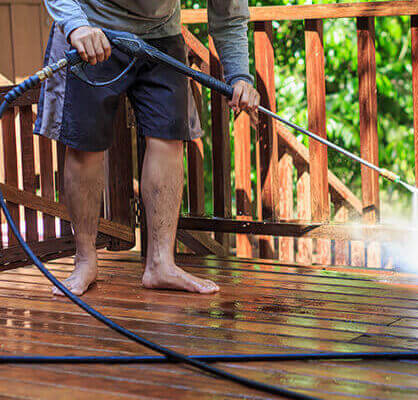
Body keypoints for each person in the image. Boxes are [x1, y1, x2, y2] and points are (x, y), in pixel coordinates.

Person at [35, 0, 260, 295]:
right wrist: (76, 25)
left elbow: (228, 16)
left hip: (162, 33)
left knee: (169, 136)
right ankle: (85, 260)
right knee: (84, 144)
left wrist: (240, 76)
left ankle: (160, 264)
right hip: (91, 25)